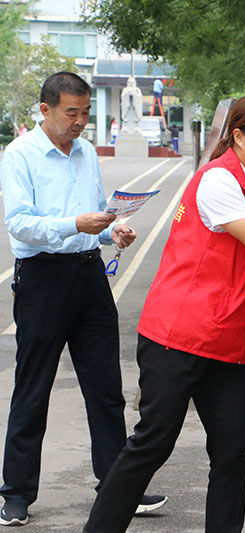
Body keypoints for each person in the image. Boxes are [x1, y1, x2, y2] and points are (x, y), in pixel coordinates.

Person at [83, 96, 245, 532]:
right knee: (152, 444)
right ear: (239, 135)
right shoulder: (217, 180)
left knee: (231, 452)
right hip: (179, 336)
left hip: (228, 343)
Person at [0, 71, 165, 528]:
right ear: (45, 110)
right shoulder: (20, 156)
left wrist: (114, 229)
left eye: (85, 113)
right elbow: (20, 224)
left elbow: (97, 210)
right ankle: (15, 492)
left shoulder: (87, 151)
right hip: (42, 281)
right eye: (71, 113)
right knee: (33, 389)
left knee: (106, 389)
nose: (79, 122)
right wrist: (77, 224)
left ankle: (116, 485)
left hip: (90, 276)